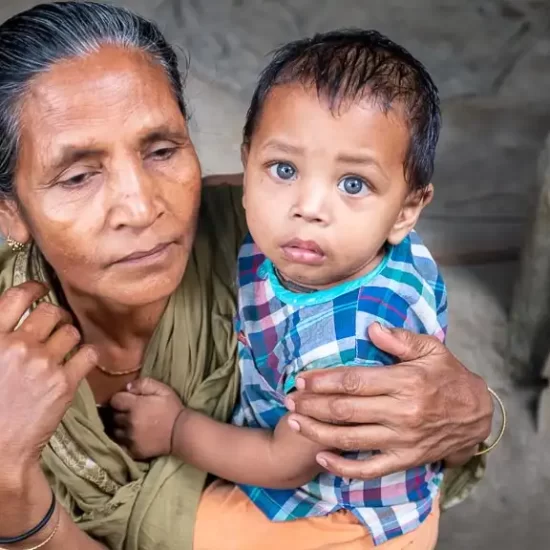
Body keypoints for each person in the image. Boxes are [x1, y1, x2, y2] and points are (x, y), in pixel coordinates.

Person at [0, 3, 494, 550]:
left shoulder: (288, 242)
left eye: (162, 150)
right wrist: (8, 484)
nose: (140, 208)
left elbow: (431, 440)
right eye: (78, 176)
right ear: (9, 212)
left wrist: (477, 415)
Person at [114, 29, 447, 550]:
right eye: (284, 169)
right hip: (296, 451)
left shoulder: (350, 343)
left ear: (406, 210)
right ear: (248, 164)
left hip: (344, 516)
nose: (308, 206)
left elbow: (282, 462)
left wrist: (175, 428)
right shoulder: (329, 242)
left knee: (154, 530)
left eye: (353, 183)